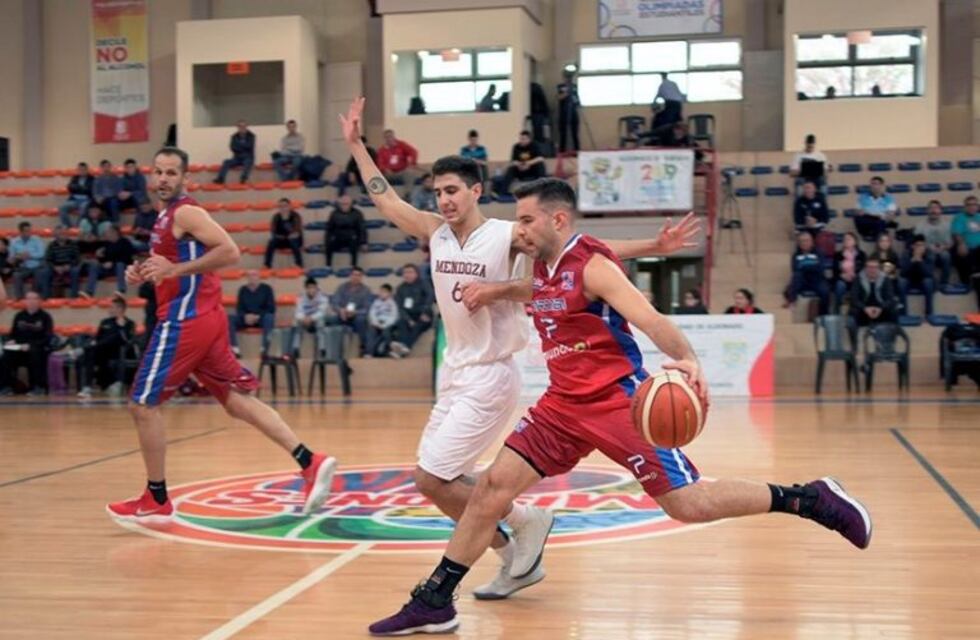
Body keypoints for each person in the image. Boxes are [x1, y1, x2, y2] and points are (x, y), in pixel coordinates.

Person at [367, 179, 871, 635]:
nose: (518, 228)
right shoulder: (540, 264)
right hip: (562, 405)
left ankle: (809, 498)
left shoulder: (594, 265)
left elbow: (649, 319)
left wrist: (687, 358)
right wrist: (498, 288)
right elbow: (535, 289)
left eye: (525, 219)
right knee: (491, 490)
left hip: (617, 401)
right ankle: (435, 599)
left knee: (687, 504)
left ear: (557, 220)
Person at [340, 96, 701, 602]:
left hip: (492, 372)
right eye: (438, 192)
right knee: (435, 480)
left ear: (475, 192)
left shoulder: (506, 234)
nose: (444, 200)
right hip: (456, 371)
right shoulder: (435, 233)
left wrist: (650, 247)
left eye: (452, 191)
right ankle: (519, 528)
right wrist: (356, 144)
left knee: (437, 478)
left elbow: (577, 249)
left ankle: (514, 535)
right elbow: (385, 201)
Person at [105, 146, 336, 523]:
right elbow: (171, 264)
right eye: (158, 171)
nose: (163, 178)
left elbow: (230, 252)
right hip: (204, 318)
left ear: (185, 178)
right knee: (234, 400)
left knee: (142, 405)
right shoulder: (165, 218)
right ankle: (310, 461)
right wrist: (144, 272)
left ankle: (156, 498)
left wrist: (175, 270)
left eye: (171, 172)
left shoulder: (186, 211)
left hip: (187, 320)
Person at [77, 297, 137, 398]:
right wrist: (96, 343)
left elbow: (127, 341)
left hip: (119, 351)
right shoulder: (105, 322)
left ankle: (88, 386)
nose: (110, 309)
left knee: (113, 338)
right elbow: (97, 338)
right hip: (102, 351)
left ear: (120, 309)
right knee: (91, 352)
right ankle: (87, 388)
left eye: (112, 307)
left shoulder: (129, 323)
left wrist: (121, 327)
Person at [0, 292, 54, 396]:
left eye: (34, 299)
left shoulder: (45, 317)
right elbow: (13, 334)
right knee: (5, 354)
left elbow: (48, 337)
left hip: (37, 348)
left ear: (39, 301)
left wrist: (30, 345)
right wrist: (12, 340)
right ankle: (6, 386)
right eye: (29, 299)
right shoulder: (19, 316)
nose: (31, 301)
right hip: (19, 348)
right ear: (25, 301)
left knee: (35, 353)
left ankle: (38, 387)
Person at [228, 269, 276, 356]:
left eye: (254, 275)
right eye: (249, 276)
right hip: (246, 319)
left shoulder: (267, 289)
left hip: (261, 318)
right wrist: (245, 316)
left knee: (269, 317)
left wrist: (258, 316)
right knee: (230, 318)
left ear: (259, 277)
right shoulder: (242, 290)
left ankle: (264, 349)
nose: (252, 278)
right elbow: (239, 308)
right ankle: (235, 349)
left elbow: (271, 308)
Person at [391, 263, 433, 357]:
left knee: (419, 324)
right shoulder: (400, 288)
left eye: (410, 272)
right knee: (401, 322)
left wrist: (424, 312)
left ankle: (404, 346)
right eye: (405, 272)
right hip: (408, 315)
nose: (407, 274)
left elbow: (430, 297)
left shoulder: (424, 284)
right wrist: (408, 320)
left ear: (416, 274)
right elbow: (399, 307)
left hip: (423, 313)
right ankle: (404, 349)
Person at [783, 231, 830, 315]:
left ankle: (822, 315)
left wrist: (804, 266)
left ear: (812, 242)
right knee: (796, 278)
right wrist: (811, 266)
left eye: (806, 240)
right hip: (802, 280)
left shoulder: (818, 253)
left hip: (817, 280)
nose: (804, 243)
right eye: (802, 241)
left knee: (825, 292)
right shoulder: (796, 255)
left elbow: (820, 268)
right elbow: (795, 269)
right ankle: (792, 302)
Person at [83, 225, 133, 297]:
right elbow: (104, 258)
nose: (106, 234)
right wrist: (99, 257)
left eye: (108, 232)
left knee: (120, 264)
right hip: (107, 268)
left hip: (121, 268)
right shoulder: (106, 244)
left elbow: (126, 257)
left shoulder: (125, 242)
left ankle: (121, 290)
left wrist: (112, 263)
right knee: (94, 265)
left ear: (115, 232)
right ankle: (89, 292)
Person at [332, 266, 373, 355]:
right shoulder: (342, 287)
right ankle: (327, 348)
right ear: (350, 275)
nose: (356, 277)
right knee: (326, 320)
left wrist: (355, 312)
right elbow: (335, 302)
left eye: (358, 275)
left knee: (361, 320)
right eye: (354, 274)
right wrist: (341, 310)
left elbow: (367, 308)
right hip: (342, 315)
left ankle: (363, 348)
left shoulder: (366, 290)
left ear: (361, 277)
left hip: (357, 316)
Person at [493, 130, 546, 196]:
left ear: (529, 139)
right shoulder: (516, 146)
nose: (522, 141)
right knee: (511, 168)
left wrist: (528, 163)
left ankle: (543, 190)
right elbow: (513, 161)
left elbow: (541, 158)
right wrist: (520, 165)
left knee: (540, 165)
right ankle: (503, 192)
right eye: (520, 139)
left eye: (524, 139)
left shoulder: (535, 145)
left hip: (532, 169)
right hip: (520, 169)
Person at [850, 257, 899, 327]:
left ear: (879, 268)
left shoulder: (885, 279)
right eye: (869, 267)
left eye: (875, 267)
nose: (872, 270)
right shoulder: (858, 279)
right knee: (853, 311)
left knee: (893, 310)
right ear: (865, 268)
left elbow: (890, 298)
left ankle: (891, 334)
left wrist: (881, 308)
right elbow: (854, 298)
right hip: (864, 309)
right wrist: (865, 308)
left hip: (881, 309)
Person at [914, 200, 952, 286]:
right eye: (931, 208)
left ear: (940, 211)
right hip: (927, 251)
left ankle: (944, 283)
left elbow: (950, 243)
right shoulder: (920, 226)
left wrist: (944, 247)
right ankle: (931, 281)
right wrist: (928, 247)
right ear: (927, 211)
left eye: (936, 208)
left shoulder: (947, 225)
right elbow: (917, 244)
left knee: (946, 256)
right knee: (931, 256)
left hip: (943, 250)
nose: (933, 210)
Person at [292, 277, 333, 356]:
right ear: (306, 289)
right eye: (309, 288)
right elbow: (297, 312)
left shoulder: (323, 297)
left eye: (313, 287)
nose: (312, 290)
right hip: (304, 320)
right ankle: (295, 349)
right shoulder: (300, 298)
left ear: (316, 288)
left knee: (320, 322)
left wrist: (311, 318)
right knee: (296, 323)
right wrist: (304, 318)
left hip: (316, 320)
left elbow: (322, 312)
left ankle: (322, 350)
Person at [898, 235, 936, 316]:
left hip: (923, 281)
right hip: (909, 280)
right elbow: (902, 273)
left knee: (928, 282)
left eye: (922, 245)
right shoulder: (906, 253)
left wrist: (920, 261)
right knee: (901, 282)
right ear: (912, 246)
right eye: (918, 245)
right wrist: (912, 261)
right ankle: (903, 313)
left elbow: (929, 273)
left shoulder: (929, 254)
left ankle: (929, 313)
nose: (920, 248)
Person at [325, 194, 367, 267]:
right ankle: (328, 266)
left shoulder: (357, 213)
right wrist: (326, 242)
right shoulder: (334, 214)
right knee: (328, 246)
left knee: (354, 245)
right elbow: (329, 230)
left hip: (352, 238)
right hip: (338, 238)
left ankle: (353, 266)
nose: (344, 206)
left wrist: (363, 242)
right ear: (339, 204)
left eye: (347, 204)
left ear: (351, 204)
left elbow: (362, 229)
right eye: (342, 204)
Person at [10, 222, 49, 300]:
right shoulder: (14, 242)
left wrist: (29, 256)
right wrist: (19, 257)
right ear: (21, 232)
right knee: (16, 275)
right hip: (22, 267)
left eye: (30, 230)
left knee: (40, 274)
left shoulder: (36, 239)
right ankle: (19, 298)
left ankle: (35, 298)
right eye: (26, 231)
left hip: (36, 266)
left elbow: (42, 254)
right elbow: (11, 257)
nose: (29, 233)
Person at [45, 225, 82, 298]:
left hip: (69, 266)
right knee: (45, 272)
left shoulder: (72, 244)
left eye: (65, 233)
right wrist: (55, 267)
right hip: (56, 267)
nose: (64, 235)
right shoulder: (51, 245)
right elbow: (48, 260)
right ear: (56, 235)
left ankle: (74, 297)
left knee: (75, 271)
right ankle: (47, 297)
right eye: (61, 233)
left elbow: (77, 258)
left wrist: (69, 265)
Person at [832, 232, 866, 313]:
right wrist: (842, 276)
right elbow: (835, 272)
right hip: (842, 280)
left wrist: (855, 275)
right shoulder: (838, 255)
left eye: (849, 239)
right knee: (840, 286)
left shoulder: (861, 255)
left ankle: (854, 311)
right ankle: (836, 311)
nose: (846, 241)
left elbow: (864, 270)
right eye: (844, 239)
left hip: (856, 279)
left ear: (855, 242)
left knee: (858, 286)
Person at [265, 198, 304, 268]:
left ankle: (299, 264)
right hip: (281, 239)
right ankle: (267, 265)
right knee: (271, 242)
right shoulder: (276, 217)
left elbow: (297, 231)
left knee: (293, 240)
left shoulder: (296, 216)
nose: (283, 208)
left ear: (289, 206)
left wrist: (291, 235)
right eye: (280, 206)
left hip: (294, 239)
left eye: (285, 206)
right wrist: (279, 237)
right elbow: (273, 231)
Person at [951, 195, 980, 287]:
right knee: (960, 252)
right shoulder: (959, 218)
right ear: (965, 207)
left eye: (974, 205)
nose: (972, 207)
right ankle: (966, 280)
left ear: (977, 206)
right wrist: (961, 244)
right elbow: (957, 233)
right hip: (967, 247)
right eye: (969, 205)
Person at [214, 120, 255, 184]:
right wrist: (243, 146)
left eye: (243, 126)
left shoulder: (251, 136)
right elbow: (232, 147)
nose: (242, 128)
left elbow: (249, 146)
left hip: (247, 157)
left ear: (246, 127)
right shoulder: (234, 136)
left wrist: (239, 145)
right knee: (226, 162)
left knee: (248, 162)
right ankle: (221, 179)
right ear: (237, 127)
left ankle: (243, 178)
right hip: (237, 158)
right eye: (240, 126)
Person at [366, 284, 399, 357]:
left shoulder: (392, 303)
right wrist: (376, 323)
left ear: (389, 294)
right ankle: (369, 352)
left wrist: (384, 325)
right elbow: (372, 313)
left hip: (387, 324)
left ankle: (392, 351)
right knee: (371, 331)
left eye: (384, 292)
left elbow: (394, 316)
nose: (381, 293)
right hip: (377, 323)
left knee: (386, 332)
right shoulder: (376, 302)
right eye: (380, 291)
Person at [58, 162, 94, 228]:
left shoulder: (92, 178)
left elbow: (90, 190)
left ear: (87, 170)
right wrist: (81, 188)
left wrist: (78, 188)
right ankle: (68, 226)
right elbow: (70, 187)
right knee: (62, 207)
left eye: (83, 169)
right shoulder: (75, 178)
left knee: (83, 207)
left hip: (86, 200)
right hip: (74, 200)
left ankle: (78, 227)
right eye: (80, 169)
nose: (82, 171)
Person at [556, 72, 581, 152]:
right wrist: (567, 93)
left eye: (569, 77)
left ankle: (577, 151)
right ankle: (562, 151)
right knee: (563, 133)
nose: (567, 79)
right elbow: (559, 97)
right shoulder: (560, 86)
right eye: (566, 77)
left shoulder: (574, 86)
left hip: (573, 112)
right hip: (563, 113)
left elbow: (577, 100)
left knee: (575, 133)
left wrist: (576, 100)